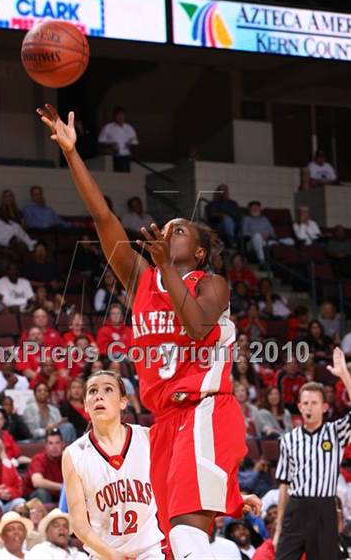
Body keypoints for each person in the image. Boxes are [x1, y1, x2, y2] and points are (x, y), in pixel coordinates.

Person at [39, 103, 260, 558]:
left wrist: (166, 269)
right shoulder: (141, 280)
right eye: (170, 227)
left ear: (198, 254)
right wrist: (72, 153)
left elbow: (198, 329)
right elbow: (103, 218)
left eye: (182, 231)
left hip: (205, 411)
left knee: (183, 532)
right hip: (165, 421)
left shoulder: (211, 283)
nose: (171, 231)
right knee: (173, 542)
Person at [62, 370, 165, 558]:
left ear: (123, 402)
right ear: (85, 404)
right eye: (92, 391)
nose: (99, 395)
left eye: (108, 389)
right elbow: (78, 523)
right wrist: (111, 554)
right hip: (104, 554)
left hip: (149, 551)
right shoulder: (74, 454)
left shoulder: (147, 438)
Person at [273, 348, 351, 560]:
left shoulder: (335, 432)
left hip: (324, 509)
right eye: (305, 403)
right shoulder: (289, 439)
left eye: (314, 403)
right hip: (296, 508)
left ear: (324, 407)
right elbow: (284, 486)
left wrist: (344, 374)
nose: (309, 407)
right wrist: (279, 527)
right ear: (299, 406)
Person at [24, 428, 64, 504]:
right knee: (41, 492)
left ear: (62, 444)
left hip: (58, 495)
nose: (54, 447)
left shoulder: (66, 459)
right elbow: (37, 482)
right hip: (36, 497)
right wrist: (62, 487)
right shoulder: (39, 459)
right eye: (50, 443)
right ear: (45, 445)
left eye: (57, 443)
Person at [98, 107, 138, 172]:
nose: (120, 117)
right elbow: (100, 141)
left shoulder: (129, 128)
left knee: (126, 175)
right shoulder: (108, 127)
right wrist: (111, 145)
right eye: (118, 115)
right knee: (116, 174)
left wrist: (130, 145)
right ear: (114, 116)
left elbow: (135, 142)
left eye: (122, 115)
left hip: (126, 156)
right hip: (113, 156)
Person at [205, 184, 242, 248]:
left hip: (235, 224)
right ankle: (232, 241)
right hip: (218, 225)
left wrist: (227, 215)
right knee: (227, 220)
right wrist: (222, 215)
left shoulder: (233, 203)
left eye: (225, 190)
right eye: (222, 190)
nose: (224, 192)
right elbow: (212, 215)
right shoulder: (213, 203)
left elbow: (238, 215)